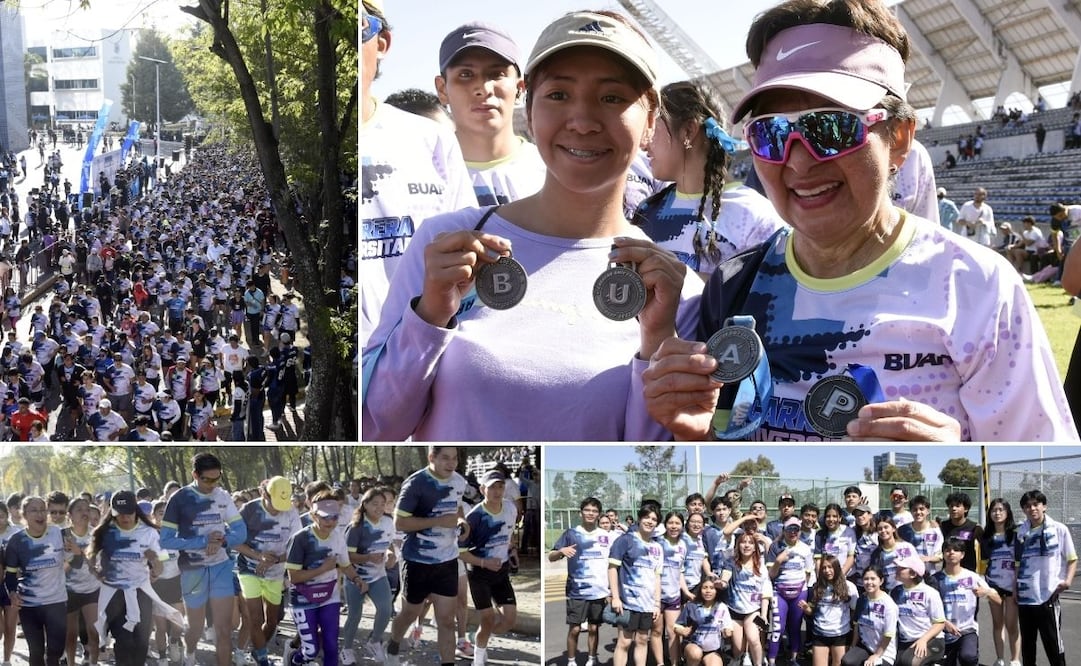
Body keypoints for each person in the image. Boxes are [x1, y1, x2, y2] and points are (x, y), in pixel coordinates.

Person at [642, 0, 1078, 442]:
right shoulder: (735, 284)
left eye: (831, 129)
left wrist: (957, 463)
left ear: (900, 140)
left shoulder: (979, 288)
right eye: (771, 133)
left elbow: (1049, 479)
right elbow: (727, 460)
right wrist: (697, 436)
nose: (797, 161)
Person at [363, 9, 701, 441]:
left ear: (651, 119)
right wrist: (429, 316)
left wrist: (655, 341)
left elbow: (648, 454)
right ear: (531, 105)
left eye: (612, 98)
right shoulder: (443, 246)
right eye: (559, 95)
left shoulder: (676, 291)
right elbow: (377, 425)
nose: (581, 121)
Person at [359, 0, 477, 349]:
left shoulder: (431, 139)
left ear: (382, 43)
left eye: (358, 26)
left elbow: (468, 259)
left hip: (419, 352)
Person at [635, 80, 786, 279]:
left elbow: (766, 298)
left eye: (653, 127)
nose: (643, 142)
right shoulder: (647, 211)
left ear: (688, 130)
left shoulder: (755, 217)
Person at [435, 23, 545, 206]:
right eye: (465, 74)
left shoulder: (552, 171)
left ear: (519, 89)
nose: (484, 89)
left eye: (496, 74)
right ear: (442, 89)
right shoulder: (420, 173)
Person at [159, 452, 248, 666]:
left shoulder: (223, 496)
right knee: (196, 629)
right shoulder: (179, 499)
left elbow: (241, 532)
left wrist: (222, 541)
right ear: (195, 475)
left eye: (217, 479)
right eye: (207, 479)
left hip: (220, 567)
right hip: (193, 569)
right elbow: (166, 540)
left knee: (224, 630)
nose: (213, 484)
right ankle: (189, 653)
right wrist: (202, 541)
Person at [384, 447, 469, 666]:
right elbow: (400, 523)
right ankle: (393, 642)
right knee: (411, 613)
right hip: (416, 561)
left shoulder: (459, 481)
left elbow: (457, 509)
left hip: (447, 560)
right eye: (445, 459)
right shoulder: (416, 484)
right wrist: (439, 521)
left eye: (454, 459)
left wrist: (461, 523)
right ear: (431, 458)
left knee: (446, 621)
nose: (451, 464)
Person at [87, 491, 182, 666]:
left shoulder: (150, 533)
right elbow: (90, 557)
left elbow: (160, 566)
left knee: (141, 641)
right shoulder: (104, 532)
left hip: (140, 592)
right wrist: (96, 572)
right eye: (120, 512)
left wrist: (154, 564)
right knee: (124, 641)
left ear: (136, 510)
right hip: (114, 593)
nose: (125, 517)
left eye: (129, 511)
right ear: (113, 511)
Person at [284, 489, 368, 666]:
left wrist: (357, 579)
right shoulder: (300, 538)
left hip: (330, 596)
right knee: (311, 650)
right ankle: (294, 659)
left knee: (331, 645)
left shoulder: (338, 536)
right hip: (302, 598)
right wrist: (323, 568)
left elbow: (345, 564)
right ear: (314, 515)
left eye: (335, 517)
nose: (330, 522)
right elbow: (294, 577)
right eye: (325, 517)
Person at [235, 477, 301, 666]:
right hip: (249, 568)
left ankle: (257, 652)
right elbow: (234, 541)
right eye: (275, 503)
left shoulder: (292, 512)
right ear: (264, 494)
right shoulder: (248, 510)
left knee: (272, 621)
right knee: (254, 618)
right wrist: (258, 556)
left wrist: (277, 560)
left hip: (276, 572)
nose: (280, 509)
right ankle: (263, 659)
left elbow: (297, 548)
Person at [460, 470, 520, 666]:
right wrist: (484, 563)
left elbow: (508, 534)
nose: (497, 491)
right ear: (482, 489)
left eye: (500, 486)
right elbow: (460, 552)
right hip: (479, 572)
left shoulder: (511, 508)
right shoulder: (474, 517)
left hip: (501, 572)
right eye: (492, 487)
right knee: (487, 618)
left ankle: (478, 636)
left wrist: (512, 550)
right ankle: (478, 659)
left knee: (508, 620)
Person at [1014, 489, 1077, 666]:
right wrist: (1016, 589)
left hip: (1048, 595)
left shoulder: (1059, 529)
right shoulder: (1021, 533)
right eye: (1027, 506)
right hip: (1026, 597)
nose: (1032, 508)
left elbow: (1072, 558)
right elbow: (1017, 564)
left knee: (1053, 644)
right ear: (1024, 510)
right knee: (1028, 646)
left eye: (1036, 504)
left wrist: (1068, 581)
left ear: (1044, 506)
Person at [3, 496, 68, 666]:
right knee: (36, 652)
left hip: (56, 601)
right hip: (30, 604)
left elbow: (75, 560)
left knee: (56, 650)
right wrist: (12, 593)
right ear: (24, 515)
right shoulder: (16, 541)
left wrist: (75, 555)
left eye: (42, 510)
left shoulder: (58, 534)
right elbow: (10, 575)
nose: (40, 514)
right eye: (34, 510)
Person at [550, 497, 612, 666]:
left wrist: (611, 591)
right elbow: (551, 556)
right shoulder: (571, 533)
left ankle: (592, 659)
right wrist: (561, 550)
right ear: (581, 512)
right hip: (577, 590)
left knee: (593, 628)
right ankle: (571, 661)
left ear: (598, 515)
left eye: (594, 511)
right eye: (587, 510)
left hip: (599, 591)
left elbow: (611, 565)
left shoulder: (605, 536)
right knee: (575, 628)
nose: (590, 514)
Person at [342, 487, 396, 665]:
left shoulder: (388, 522)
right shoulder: (356, 527)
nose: (379, 508)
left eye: (383, 504)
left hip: (378, 575)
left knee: (386, 609)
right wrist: (367, 557)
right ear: (364, 504)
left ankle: (374, 642)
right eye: (375, 504)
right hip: (355, 576)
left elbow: (388, 545)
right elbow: (346, 557)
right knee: (355, 615)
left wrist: (390, 555)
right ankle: (346, 649)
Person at [608, 506, 663, 666]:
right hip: (627, 603)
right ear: (639, 519)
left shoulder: (657, 547)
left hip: (647, 605)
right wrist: (616, 598)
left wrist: (657, 604)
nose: (650, 521)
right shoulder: (625, 540)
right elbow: (612, 569)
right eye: (647, 517)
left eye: (654, 519)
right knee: (624, 642)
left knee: (642, 640)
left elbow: (657, 577)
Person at [933, 538, 1001, 666]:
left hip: (967, 630)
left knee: (968, 657)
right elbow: (928, 610)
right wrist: (944, 623)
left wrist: (986, 593)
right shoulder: (935, 579)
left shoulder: (972, 577)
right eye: (947, 550)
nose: (951, 553)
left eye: (956, 550)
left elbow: (998, 600)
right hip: (943, 631)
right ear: (943, 554)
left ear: (962, 555)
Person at [766, 517, 814, 666]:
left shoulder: (805, 548)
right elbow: (770, 575)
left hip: (799, 592)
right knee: (778, 628)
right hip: (779, 593)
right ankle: (772, 661)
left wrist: (801, 588)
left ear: (799, 531)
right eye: (789, 529)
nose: (793, 532)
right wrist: (779, 561)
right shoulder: (775, 547)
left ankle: (793, 659)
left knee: (795, 627)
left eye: (796, 529)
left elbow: (807, 573)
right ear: (784, 530)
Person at [979, 499, 1021, 666]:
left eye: (1000, 510)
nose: (997, 513)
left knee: (1011, 625)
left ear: (1007, 512)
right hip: (993, 586)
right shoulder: (986, 537)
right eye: (993, 510)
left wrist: (1017, 584)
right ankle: (1000, 658)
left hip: (1012, 586)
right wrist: (983, 583)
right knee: (998, 624)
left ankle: (1015, 659)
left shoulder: (1016, 533)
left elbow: (1019, 561)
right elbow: (983, 562)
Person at [798, 553, 857, 666]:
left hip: (840, 634)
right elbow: (813, 611)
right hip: (820, 634)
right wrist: (807, 609)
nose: (827, 570)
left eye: (830, 567)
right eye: (824, 568)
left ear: (836, 568)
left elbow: (854, 612)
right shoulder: (817, 586)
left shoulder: (849, 587)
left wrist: (853, 638)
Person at [890, 554, 946, 666]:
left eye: (902, 568)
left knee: (909, 662)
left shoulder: (930, 593)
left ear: (913, 574)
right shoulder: (895, 591)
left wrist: (923, 640)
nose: (897, 570)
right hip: (906, 641)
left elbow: (939, 623)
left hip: (931, 639)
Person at [726, 531, 771, 666]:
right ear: (738, 545)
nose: (746, 545)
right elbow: (725, 575)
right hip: (734, 610)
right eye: (743, 542)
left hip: (753, 610)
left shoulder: (761, 566)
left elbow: (766, 592)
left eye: (750, 543)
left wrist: (763, 615)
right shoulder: (732, 563)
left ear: (755, 548)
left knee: (753, 638)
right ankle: (739, 659)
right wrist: (722, 581)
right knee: (738, 647)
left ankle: (758, 663)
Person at [841, 565, 898, 666]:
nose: (869, 582)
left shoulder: (889, 605)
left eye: (873, 579)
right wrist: (853, 646)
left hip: (884, 652)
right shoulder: (862, 599)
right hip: (865, 646)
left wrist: (876, 655)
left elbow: (888, 636)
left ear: (881, 581)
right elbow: (857, 626)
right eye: (866, 579)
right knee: (847, 661)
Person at [653, 511, 689, 666]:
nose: (674, 526)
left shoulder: (683, 545)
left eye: (677, 523)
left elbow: (680, 571)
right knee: (656, 632)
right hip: (655, 596)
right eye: (671, 523)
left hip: (673, 595)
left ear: (682, 526)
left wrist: (686, 591)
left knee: (674, 632)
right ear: (665, 525)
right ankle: (660, 663)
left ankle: (674, 663)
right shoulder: (657, 543)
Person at [672, 577, 733, 666]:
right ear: (700, 589)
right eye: (705, 588)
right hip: (693, 646)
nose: (708, 591)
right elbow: (676, 626)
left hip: (713, 650)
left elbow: (728, 629)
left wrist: (727, 632)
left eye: (712, 588)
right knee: (695, 654)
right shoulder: (691, 605)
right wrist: (682, 631)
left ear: (717, 591)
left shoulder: (722, 607)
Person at [938, 492, 982, 574]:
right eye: (951, 506)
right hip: (948, 572)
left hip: (968, 572)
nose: (953, 509)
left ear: (966, 509)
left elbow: (985, 548)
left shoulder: (974, 527)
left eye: (957, 506)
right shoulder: (942, 526)